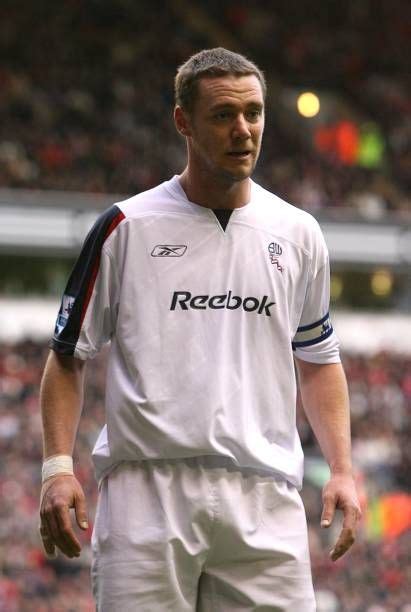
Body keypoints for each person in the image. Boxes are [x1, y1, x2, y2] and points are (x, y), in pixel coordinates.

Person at [39, 47, 361, 611]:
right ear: (182, 121)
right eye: (223, 115)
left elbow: (318, 360)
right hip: (148, 493)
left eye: (254, 113)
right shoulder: (125, 226)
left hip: (266, 498)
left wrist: (342, 469)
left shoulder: (299, 232)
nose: (243, 130)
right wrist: (56, 469)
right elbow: (68, 355)